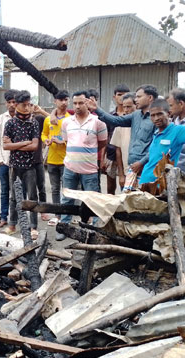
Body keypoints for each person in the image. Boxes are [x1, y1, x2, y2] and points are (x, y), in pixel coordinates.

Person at [56, 91, 108, 241]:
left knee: (93, 199)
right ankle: (64, 227)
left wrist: (86, 155)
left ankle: (96, 228)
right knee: (67, 198)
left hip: (90, 169)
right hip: (70, 167)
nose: (77, 106)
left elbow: (102, 143)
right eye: (75, 103)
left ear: (88, 103)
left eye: (81, 103)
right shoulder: (67, 122)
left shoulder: (98, 122)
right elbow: (66, 140)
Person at [88, 84, 157, 177]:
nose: (136, 100)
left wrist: (141, 163)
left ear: (150, 97)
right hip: (132, 167)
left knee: (147, 192)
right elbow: (116, 121)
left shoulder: (157, 118)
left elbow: (157, 147)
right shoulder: (136, 115)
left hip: (147, 168)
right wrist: (97, 109)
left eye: (139, 97)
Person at [138, 99, 185, 185]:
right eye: (152, 115)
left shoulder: (178, 131)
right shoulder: (156, 133)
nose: (156, 118)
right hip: (145, 182)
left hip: (160, 186)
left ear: (168, 113)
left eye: (159, 114)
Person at [3, 90, 40, 239]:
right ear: (17, 105)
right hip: (14, 165)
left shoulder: (34, 123)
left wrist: (15, 145)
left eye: (28, 105)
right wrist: (25, 142)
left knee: (31, 196)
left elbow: (34, 146)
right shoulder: (10, 123)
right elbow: (5, 146)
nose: (27, 108)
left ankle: (33, 227)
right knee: (14, 196)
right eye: (24, 105)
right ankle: (12, 224)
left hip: (29, 166)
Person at [41, 90, 70, 224]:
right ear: (55, 101)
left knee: (67, 189)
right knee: (54, 188)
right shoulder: (48, 119)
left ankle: (66, 214)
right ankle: (57, 214)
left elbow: (74, 138)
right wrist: (46, 140)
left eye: (66, 99)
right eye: (61, 100)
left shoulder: (70, 119)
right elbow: (44, 134)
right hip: (51, 160)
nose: (64, 102)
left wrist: (62, 141)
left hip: (66, 160)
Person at [0, 89, 18, 229]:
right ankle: (3, 217)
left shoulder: (23, 118)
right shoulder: (0, 119)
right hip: (4, 161)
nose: (12, 105)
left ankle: (17, 218)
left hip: (19, 162)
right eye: (9, 102)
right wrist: (0, 159)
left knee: (18, 191)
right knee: (4, 190)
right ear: (5, 103)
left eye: (14, 102)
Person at [102, 84, 130, 194]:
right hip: (111, 154)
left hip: (126, 155)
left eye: (125, 95)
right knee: (110, 187)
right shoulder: (109, 116)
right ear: (114, 97)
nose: (122, 97)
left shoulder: (131, 115)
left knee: (125, 186)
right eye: (119, 95)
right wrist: (103, 158)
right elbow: (105, 138)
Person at [110, 93, 136, 189]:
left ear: (136, 105)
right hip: (126, 172)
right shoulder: (121, 124)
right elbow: (118, 150)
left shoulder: (146, 123)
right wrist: (121, 175)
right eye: (124, 107)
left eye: (129, 107)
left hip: (142, 172)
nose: (126, 110)